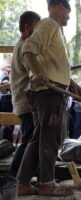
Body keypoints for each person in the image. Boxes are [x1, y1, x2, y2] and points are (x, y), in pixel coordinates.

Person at [17, 0, 81, 196]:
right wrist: (37, 73)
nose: (69, 17)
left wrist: (73, 84)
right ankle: (47, 183)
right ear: (60, 7)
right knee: (49, 140)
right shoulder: (48, 24)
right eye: (68, 13)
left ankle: (22, 183)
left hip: (50, 92)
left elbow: (55, 66)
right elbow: (27, 49)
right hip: (48, 93)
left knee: (39, 138)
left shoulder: (55, 30)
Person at [8, 11, 41, 179]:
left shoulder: (21, 45)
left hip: (24, 101)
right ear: (27, 28)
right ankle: (15, 177)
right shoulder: (24, 48)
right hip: (25, 101)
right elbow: (34, 74)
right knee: (29, 139)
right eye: (37, 28)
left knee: (30, 137)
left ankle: (21, 176)